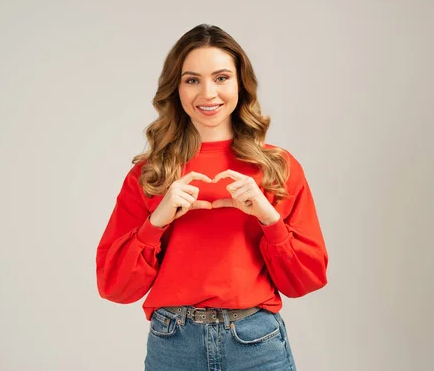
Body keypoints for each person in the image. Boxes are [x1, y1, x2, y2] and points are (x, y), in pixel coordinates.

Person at [96, 24, 328, 371]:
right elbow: (114, 286)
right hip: (174, 345)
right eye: (192, 80)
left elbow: (307, 279)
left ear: (240, 84)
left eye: (221, 78)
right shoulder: (151, 174)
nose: (208, 93)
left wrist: (268, 218)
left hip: (256, 343)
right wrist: (156, 221)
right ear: (176, 88)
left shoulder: (278, 167)